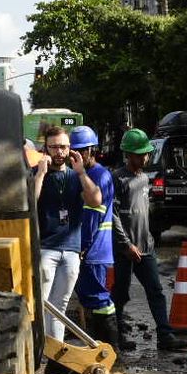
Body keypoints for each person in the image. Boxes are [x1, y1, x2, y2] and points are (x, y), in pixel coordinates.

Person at [112, 128, 182, 353]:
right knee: (120, 294)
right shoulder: (117, 179)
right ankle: (116, 336)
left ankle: (165, 335)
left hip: (146, 248)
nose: (146, 157)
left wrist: (149, 238)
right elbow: (112, 216)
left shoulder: (143, 178)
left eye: (146, 153)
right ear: (129, 155)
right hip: (125, 251)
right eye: (141, 154)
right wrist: (126, 245)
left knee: (156, 291)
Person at [34, 125, 101, 346]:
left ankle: (56, 356)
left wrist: (81, 172)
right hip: (46, 248)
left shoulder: (76, 176)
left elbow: (95, 200)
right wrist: (41, 173)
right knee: (41, 303)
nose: (59, 152)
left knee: (59, 306)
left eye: (63, 147)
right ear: (46, 149)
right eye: (54, 147)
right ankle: (39, 352)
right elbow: (29, 203)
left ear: (70, 149)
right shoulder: (38, 174)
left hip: (71, 250)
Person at [69, 125, 119, 346]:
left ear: (92, 150)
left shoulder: (99, 176)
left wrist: (81, 248)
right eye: (74, 151)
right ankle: (99, 348)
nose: (77, 155)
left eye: (81, 151)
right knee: (89, 299)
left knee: (99, 300)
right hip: (89, 252)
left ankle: (110, 349)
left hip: (95, 253)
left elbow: (91, 219)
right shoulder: (82, 175)